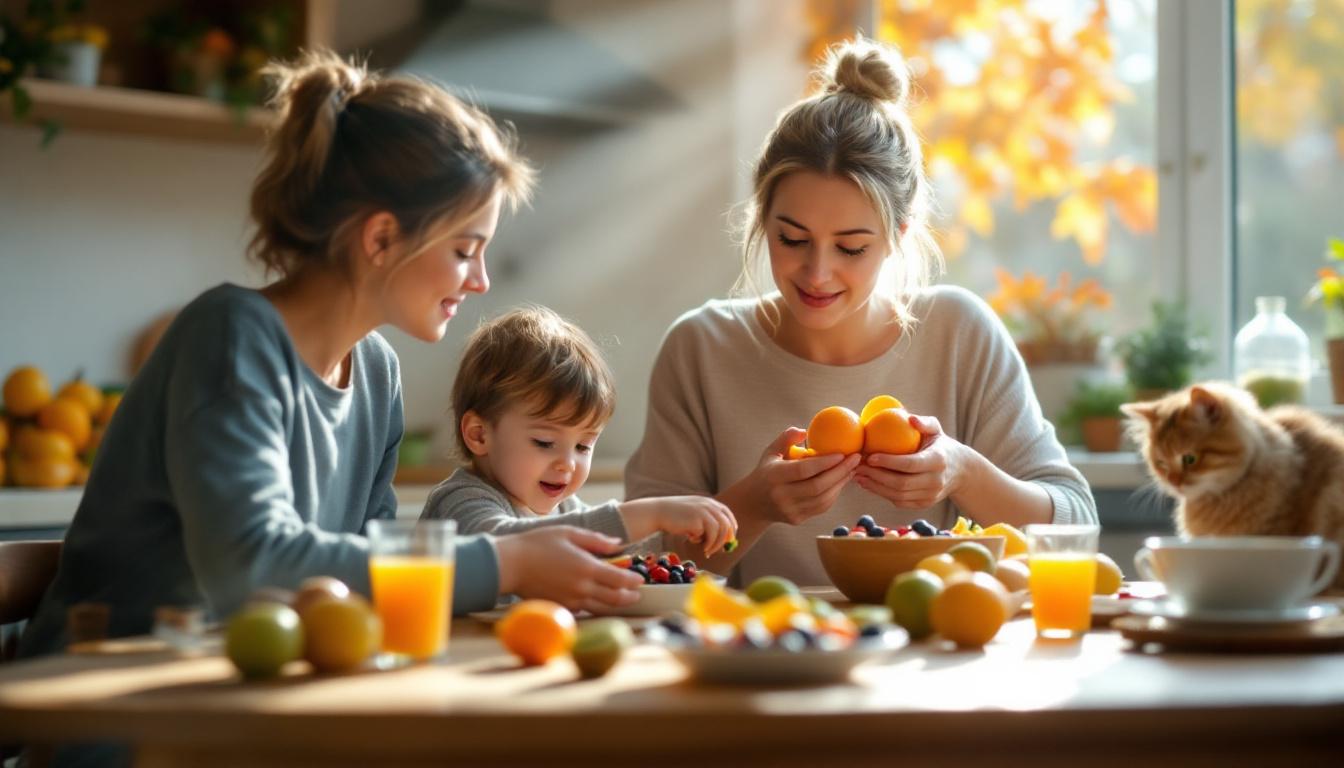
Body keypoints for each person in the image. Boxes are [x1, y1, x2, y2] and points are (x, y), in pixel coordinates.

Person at [19, 51, 643, 663]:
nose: (480, 280)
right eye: (464, 250)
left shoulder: (376, 372)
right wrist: (509, 561)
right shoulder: (231, 337)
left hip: (251, 682)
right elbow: (252, 562)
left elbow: (366, 568)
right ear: (381, 237)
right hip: (103, 693)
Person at [625, 38, 1098, 588]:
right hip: (768, 638)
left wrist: (964, 473)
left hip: (934, 635)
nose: (817, 272)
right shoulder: (702, 348)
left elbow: (1076, 528)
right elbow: (642, 562)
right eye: (792, 239)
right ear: (762, 219)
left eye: (851, 248)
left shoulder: (959, 333)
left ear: (898, 235)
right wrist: (752, 505)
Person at [421, 306, 737, 561]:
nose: (568, 464)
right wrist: (651, 513)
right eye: (545, 442)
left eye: (583, 446)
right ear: (479, 435)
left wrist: (678, 535)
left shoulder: (567, 508)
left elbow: (624, 554)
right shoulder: (460, 501)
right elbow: (505, 547)